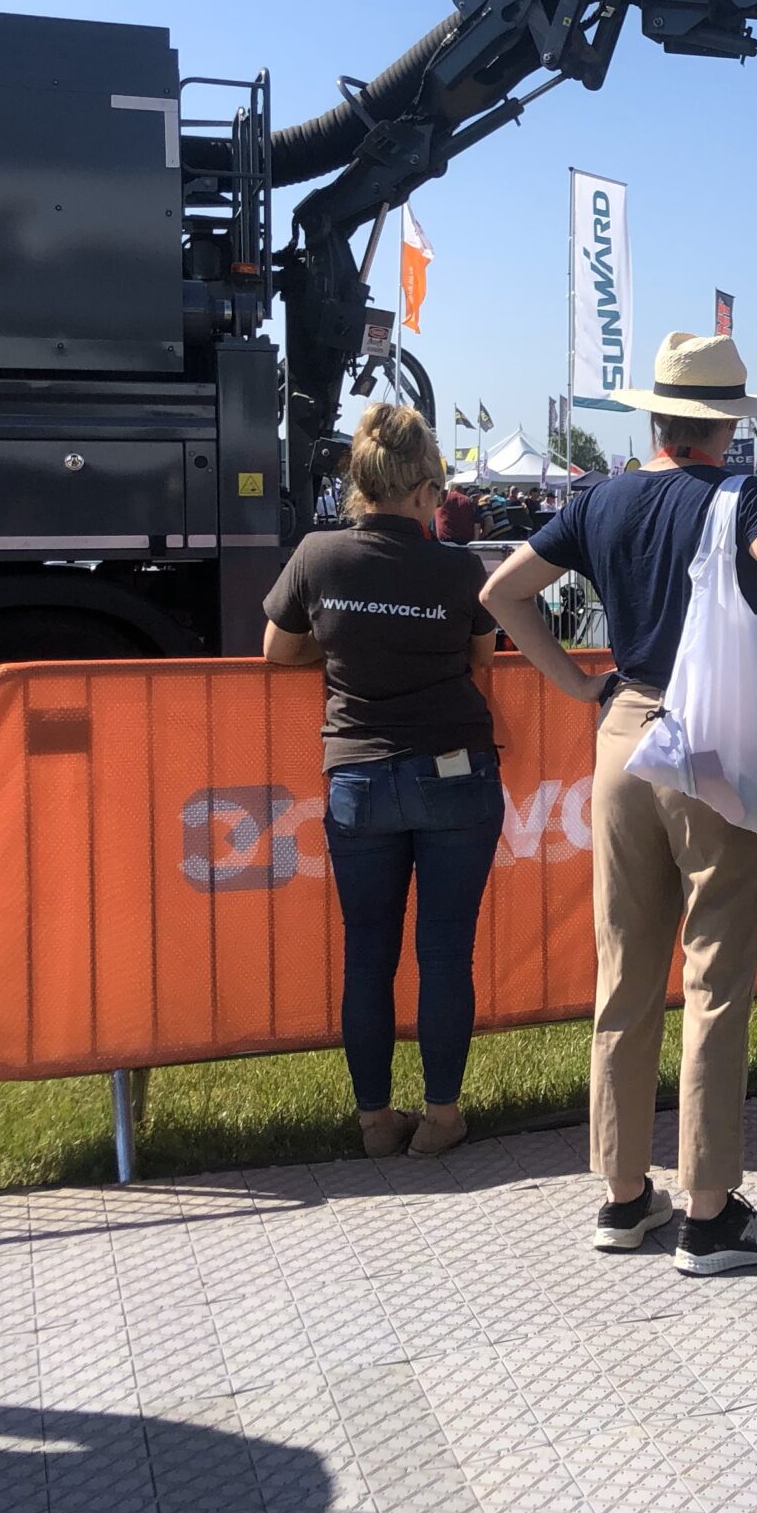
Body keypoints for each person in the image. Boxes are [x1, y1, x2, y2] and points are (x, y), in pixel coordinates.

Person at [480, 333, 757, 1275]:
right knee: (715, 976)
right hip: (715, 738)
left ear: (657, 416)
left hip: (624, 731)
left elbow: (503, 592)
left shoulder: (602, 498)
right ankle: (710, 1213)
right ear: (728, 424)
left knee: (624, 970)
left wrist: (574, 684)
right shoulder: (745, 498)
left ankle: (623, 1195)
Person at [261, 405, 502, 1162]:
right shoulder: (459, 568)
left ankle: (374, 1123)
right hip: (454, 770)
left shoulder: (318, 555)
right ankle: (440, 1117)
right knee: (445, 952)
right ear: (426, 490)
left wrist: (340, 649)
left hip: (358, 775)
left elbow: (278, 650)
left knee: (367, 953)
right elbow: (482, 659)